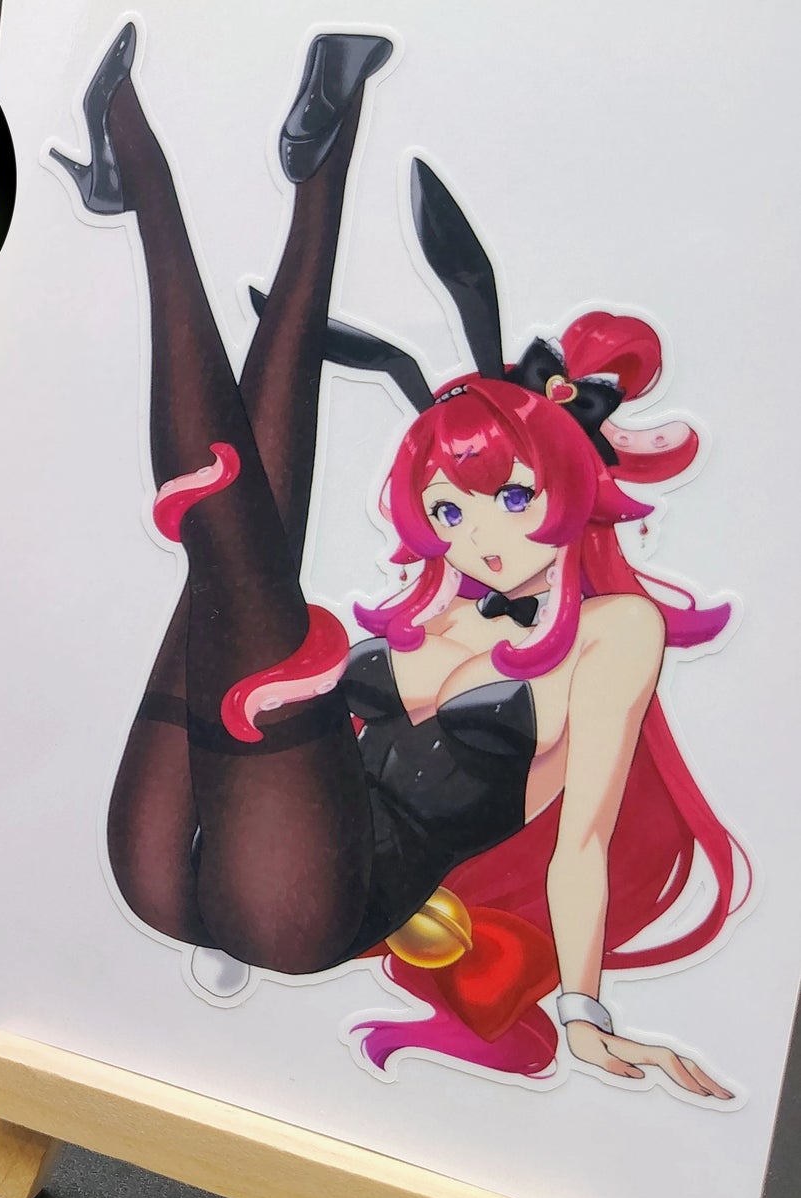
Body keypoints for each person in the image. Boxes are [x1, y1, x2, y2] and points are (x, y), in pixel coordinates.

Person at [55, 25, 743, 1092]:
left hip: (309, 903)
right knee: (243, 551)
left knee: (238, 559)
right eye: (449, 510)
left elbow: (582, 842)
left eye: (509, 498)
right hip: (176, 850)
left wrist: (585, 1012)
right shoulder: (437, 606)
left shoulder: (616, 633)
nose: (478, 536)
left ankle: (148, 174)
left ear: (570, 485)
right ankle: (295, 163)